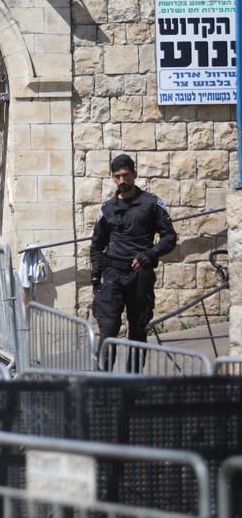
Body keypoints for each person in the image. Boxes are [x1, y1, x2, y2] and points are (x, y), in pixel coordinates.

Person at [91, 154, 177, 371]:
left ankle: (133, 382)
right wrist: (96, 276)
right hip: (113, 275)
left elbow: (169, 237)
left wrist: (150, 254)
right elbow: (97, 245)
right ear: (113, 178)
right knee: (109, 328)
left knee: (138, 330)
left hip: (140, 275)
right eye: (117, 176)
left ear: (134, 175)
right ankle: (101, 381)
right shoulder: (107, 209)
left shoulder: (151, 203)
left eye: (126, 175)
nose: (122, 180)